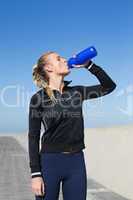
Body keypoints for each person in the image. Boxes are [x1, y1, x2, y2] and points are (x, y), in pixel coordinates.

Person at [28, 51, 117, 200]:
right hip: (50, 163)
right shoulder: (38, 98)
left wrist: (90, 65)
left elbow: (108, 87)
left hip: (76, 163)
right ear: (49, 68)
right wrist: (35, 174)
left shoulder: (77, 92)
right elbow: (33, 136)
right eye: (58, 59)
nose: (64, 59)